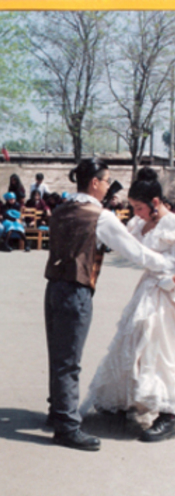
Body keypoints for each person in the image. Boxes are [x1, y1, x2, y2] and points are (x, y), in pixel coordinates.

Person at [44, 158, 174, 451]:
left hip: (53, 286)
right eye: (106, 181)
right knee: (69, 361)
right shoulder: (99, 216)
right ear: (94, 183)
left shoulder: (63, 208)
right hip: (76, 289)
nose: (107, 187)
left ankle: (58, 412)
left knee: (58, 355)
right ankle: (66, 425)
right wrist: (165, 263)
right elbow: (136, 254)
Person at [83, 167, 175, 442]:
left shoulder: (170, 224)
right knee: (133, 343)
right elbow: (125, 244)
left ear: (155, 203)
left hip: (166, 292)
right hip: (147, 289)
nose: (136, 212)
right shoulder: (138, 223)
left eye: (139, 207)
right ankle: (128, 400)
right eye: (133, 207)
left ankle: (168, 412)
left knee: (159, 347)